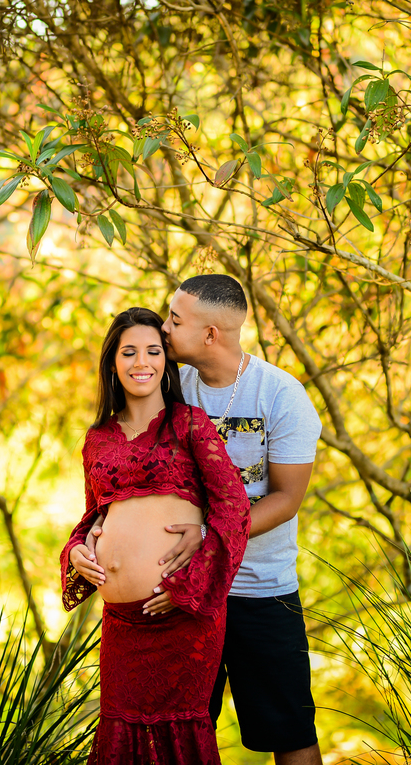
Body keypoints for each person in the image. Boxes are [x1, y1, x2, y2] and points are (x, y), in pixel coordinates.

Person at [84, 276, 323, 763]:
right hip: (177, 599)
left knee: (290, 732)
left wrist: (208, 535)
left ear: (210, 334)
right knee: (178, 733)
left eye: (174, 320)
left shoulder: (281, 395)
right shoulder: (173, 386)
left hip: (259, 588)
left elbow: (286, 499)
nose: (164, 329)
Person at [60, 307, 251, 765]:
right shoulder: (96, 439)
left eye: (153, 350)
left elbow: (234, 508)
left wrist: (187, 586)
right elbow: (93, 517)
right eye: (129, 352)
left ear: (167, 361)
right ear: (112, 363)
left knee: (180, 734)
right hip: (122, 624)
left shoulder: (190, 424)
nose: (141, 361)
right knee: (120, 737)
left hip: (181, 617)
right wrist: (76, 552)